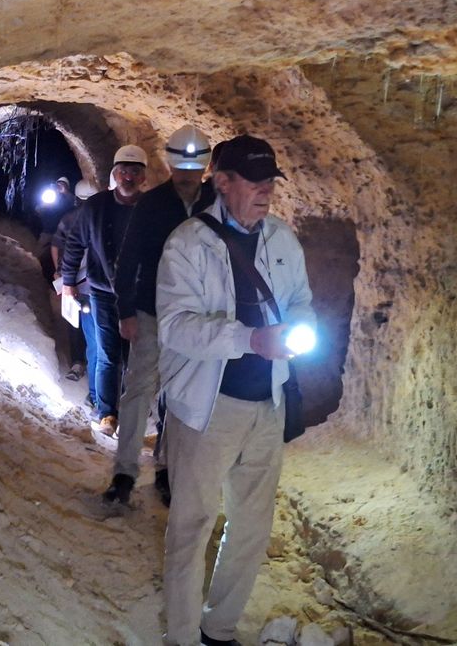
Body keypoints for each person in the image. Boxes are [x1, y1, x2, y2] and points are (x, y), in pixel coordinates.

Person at [156, 135, 316, 646]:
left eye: (271, 181)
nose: (266, 191)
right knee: (192, 526)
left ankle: (218, 628)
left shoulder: (282, 240)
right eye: (255, 181)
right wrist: (249, 339)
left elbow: (301, 301)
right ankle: (181, 637)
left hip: (265, 408)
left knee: (250, 527)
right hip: (207, 409)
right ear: (222, 182)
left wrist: (296, 331)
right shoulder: (187, 243)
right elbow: (176, 327)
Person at [103, 125, 216, 505]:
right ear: (170, 163)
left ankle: (167, 466)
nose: (186, 175)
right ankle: (124, 471)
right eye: (180, 167)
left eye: (193, 167)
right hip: (153, 310)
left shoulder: (216, 201)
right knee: (138, 390)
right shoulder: (153, 204)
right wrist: (126, 311)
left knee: (182, 393)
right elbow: (129, 258)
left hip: (196, 313)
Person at [60, 145, 148, 434]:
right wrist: (69, 282)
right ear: (115, 174)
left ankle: (128, 411)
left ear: (143, 176)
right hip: (102, 291)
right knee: (109, 353)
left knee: (132, 355)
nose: (128, 177)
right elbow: (74, 245)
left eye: (135, 172)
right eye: (124, 171)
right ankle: (107, 414)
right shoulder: (96, 206)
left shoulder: (152, 210)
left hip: (137, 295)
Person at [51, 180, 99, 391]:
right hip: (89, 282)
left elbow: (55, 245)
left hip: (71, 280)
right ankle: (91, 366)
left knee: (74, 320)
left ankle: (78, 363)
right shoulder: (99, 219)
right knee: (93, 326)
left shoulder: (68, 218)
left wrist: (58, 270)